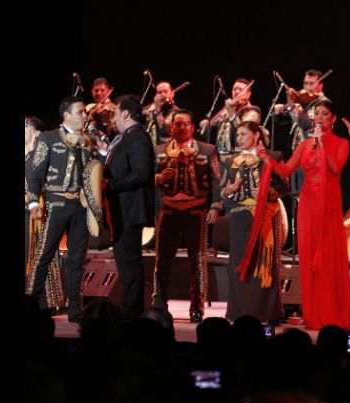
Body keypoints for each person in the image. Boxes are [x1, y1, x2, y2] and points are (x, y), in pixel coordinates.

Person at [270, 100, 350, 330]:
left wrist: (322, 144)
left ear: (333, 118)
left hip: (330, 208)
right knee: (310, 260)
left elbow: (335, 167)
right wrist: (266, 159)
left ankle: (332, 311)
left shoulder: (341, 143)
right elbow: (286, 170)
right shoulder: (304, 144)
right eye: (317, 114)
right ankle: (314, 313)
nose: (319, 117)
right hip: (308, 208)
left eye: (325, 113)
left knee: (329, 261)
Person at [25, 97, 93, 322]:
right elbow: (35, 173)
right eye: (81, 112)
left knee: (77, 260)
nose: (85, 115)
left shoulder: (87, 141)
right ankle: (31, 306)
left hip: (80, 207)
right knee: (43, 255)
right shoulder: (48, 137)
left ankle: (75, 309)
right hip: (56, 204)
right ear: (66, 115)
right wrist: (34, 202)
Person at [152, 109, 221, 323]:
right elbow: (146, 180)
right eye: (177, 124)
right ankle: (159, 304)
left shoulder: (208, 150)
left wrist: (215, 207)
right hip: (169, 210)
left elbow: (217, 181)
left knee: (198, 261)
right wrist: (159, 177)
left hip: (196, 211)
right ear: (171, 127)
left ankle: (197, 308)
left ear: (192, 127)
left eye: (185, 124)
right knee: (162, 260)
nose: (181, 127)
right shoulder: (159, 151)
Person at [219, 121, 288, 322]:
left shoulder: (271, 157)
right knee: (240, 265)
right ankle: (240, 313)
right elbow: (223, 192)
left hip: (265, 216)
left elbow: (284, 187)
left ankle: (265, 312)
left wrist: (269, 192)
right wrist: (229, 191)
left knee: (263, 265)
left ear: (256, 136)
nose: (238, 138)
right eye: (237, 134)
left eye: (243, 134)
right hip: (240, 219)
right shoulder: (231, 161)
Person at [98, 95, 155, 319]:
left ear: (126, 114)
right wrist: (105, 154)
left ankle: (132, 312)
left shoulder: (138, 137)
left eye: (115, 112)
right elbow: (124, 164)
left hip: (130, 210)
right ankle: (129, 309)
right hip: (121, 211)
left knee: (130, 262)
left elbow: (141, 174)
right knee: (125, 262)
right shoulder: (126, 138)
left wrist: (110, 184)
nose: (112, 117)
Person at [25, 115, 65, 311]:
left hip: (38, 212)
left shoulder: (43, 153)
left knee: (40, 255)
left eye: (26, 126)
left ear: (37, 132)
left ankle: (42, 303)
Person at [274, 69, 330, 151]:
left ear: (320, 86)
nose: (307, 87)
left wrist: (291, 103)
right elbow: (282, 120)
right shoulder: (302, 103)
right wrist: (278, 111)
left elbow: (305, 123)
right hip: (298, 151)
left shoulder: (325, 104)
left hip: (315, 150)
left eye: (311, 84)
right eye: (305, 83)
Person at [144, 81, 180, 146]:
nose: (162, 95)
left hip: (166, 150)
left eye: (165, 92)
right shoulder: (148, 109)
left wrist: (157, 110)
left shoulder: (177, 112)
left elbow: (165, 131)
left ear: (172, 93)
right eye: (159, 92)